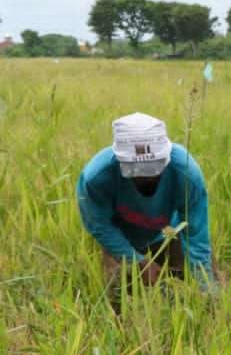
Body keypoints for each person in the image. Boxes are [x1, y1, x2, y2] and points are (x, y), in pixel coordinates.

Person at [76, 112, 217, 304]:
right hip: (122, 237)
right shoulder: (96, 177)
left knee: (193, 286)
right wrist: (136, 260)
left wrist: (205, 287)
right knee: (121, 295)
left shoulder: (185, 172)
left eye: (154, 170)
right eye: (138, 173)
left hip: (169, 231)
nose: (148, 178)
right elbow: (99, 225)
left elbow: (196, 235)